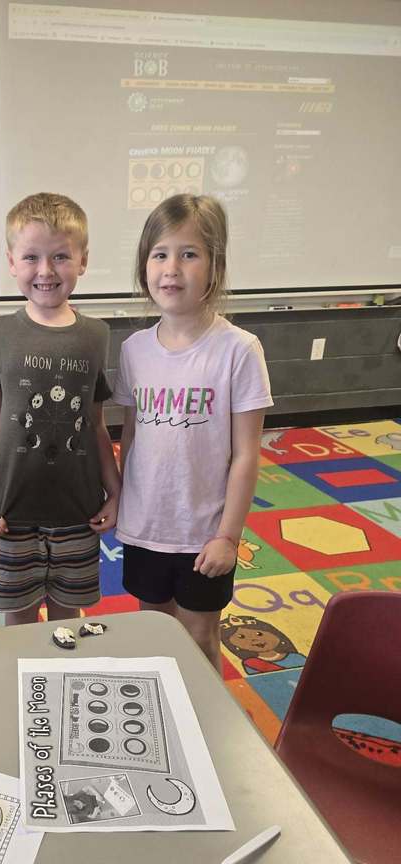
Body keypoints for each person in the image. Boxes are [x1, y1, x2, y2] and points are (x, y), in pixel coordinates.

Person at [114, 194, 273, 673]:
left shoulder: (239, 350)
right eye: (160, 254)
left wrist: (228, 536)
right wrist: (122, 503)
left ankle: (206, 723)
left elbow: (246, 455)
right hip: (145, 527)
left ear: (215, 266)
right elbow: (133, 435)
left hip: (204, 532)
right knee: (153, 632)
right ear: (145, 265)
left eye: (189, 254)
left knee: (199, 638)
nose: (172, 268)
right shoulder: (133, 350)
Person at [0, 192, 120, 625]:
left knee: (66, 620)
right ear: (12, 261)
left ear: (83, 260)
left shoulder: (96, 334)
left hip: (78, 510)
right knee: (17, 622)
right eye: (32, 257)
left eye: (60, 256)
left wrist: (117, 492)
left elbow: (95, 424)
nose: (46, 271)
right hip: (10, 510)